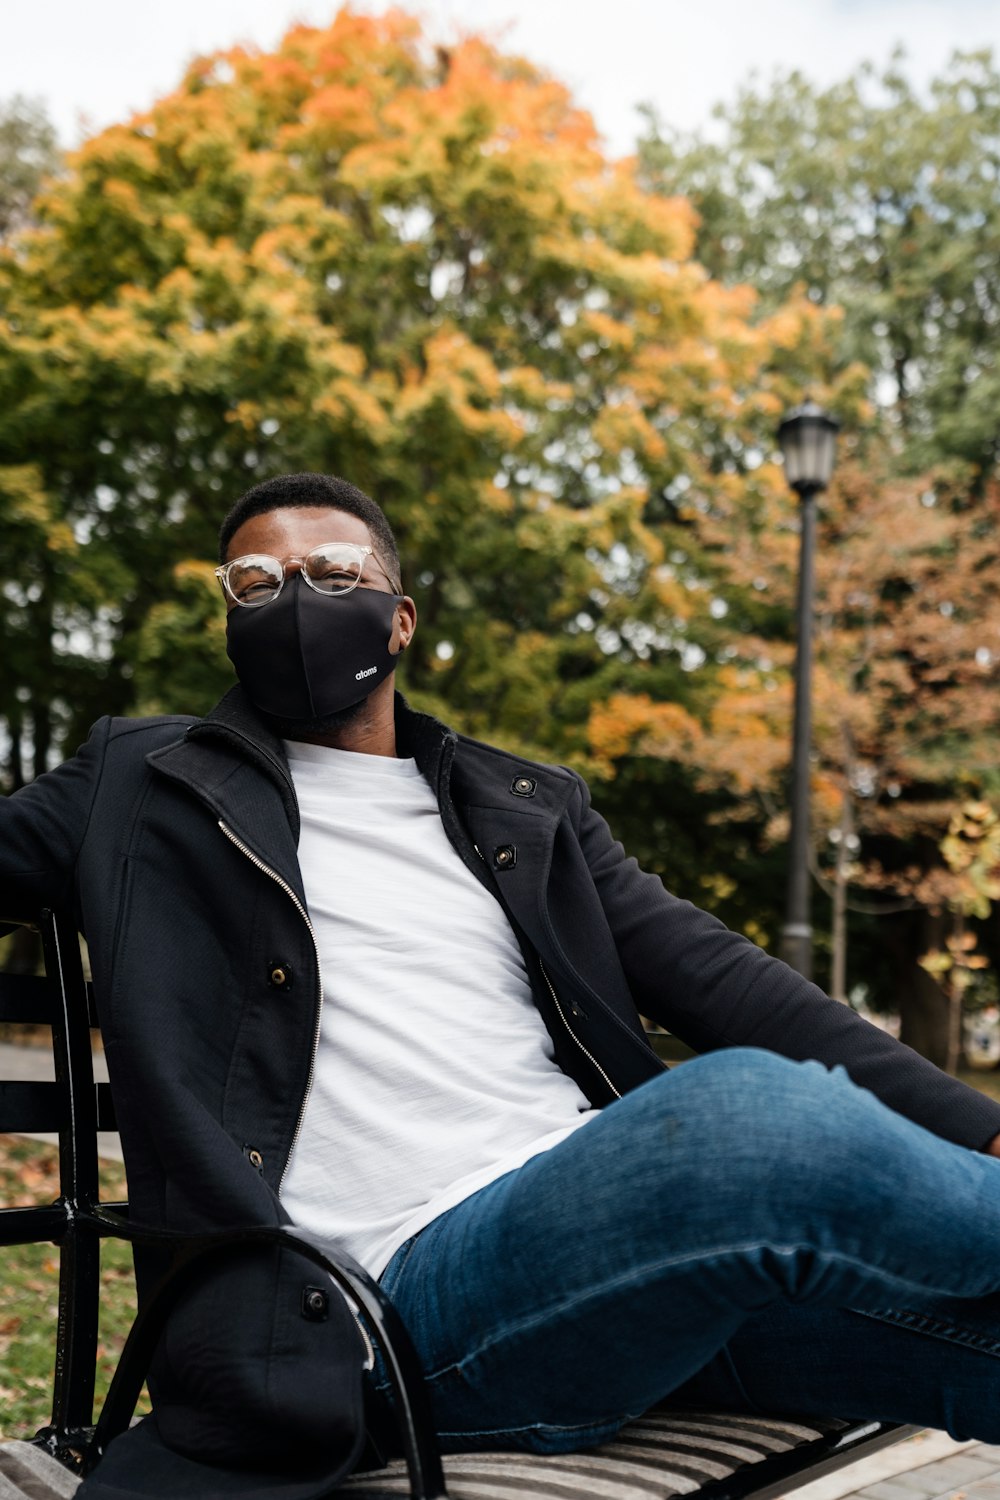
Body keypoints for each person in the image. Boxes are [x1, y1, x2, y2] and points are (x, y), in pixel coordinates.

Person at [6, 471, 1000, 1500]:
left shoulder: (522, 806)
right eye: (255, 582)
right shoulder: (137, 781)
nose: (293, 596)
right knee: (736, 1119)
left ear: (397, 622)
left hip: (614, 1258)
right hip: (378, 1313)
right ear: (228, 618)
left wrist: (979, 1131)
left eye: (331, 571)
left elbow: (725, 979)